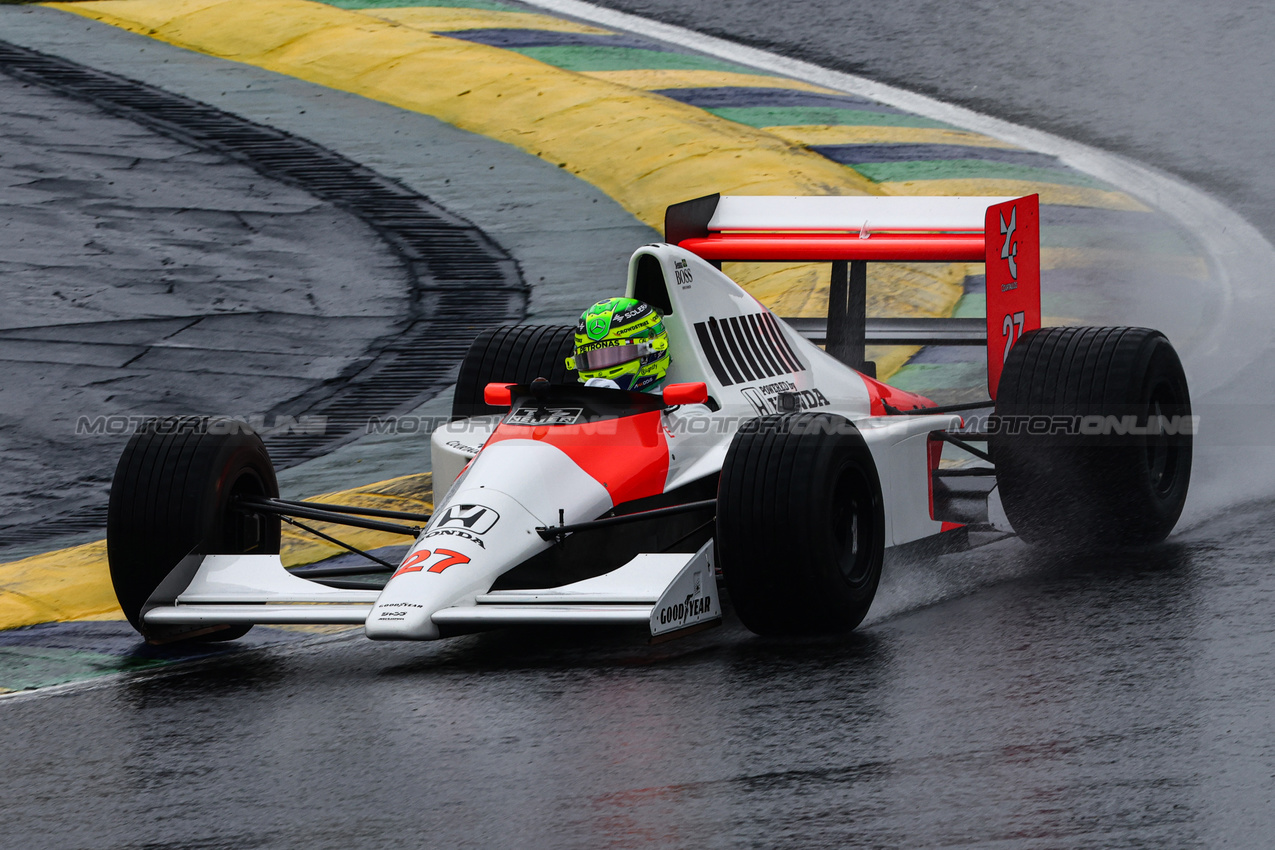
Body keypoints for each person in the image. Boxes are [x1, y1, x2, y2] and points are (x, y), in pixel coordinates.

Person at [564, 297, 670, 392]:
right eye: (592, 360)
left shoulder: (682, 410)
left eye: (614, 355)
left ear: (653, 348)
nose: (600, 377)